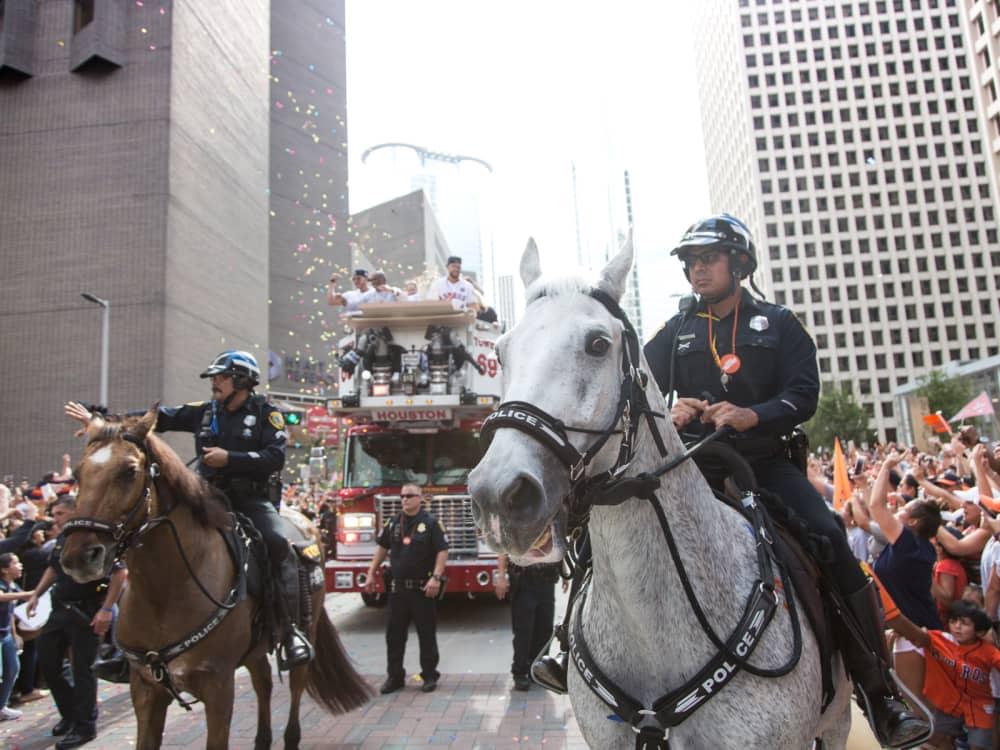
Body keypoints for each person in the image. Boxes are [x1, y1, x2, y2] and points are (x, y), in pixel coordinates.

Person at [642, 214, 926, 747]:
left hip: (764, 462)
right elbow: (641, 391)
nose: (697, 270)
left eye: (708, 259)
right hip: (693, 464)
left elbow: (804, 395)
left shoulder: (778, 323)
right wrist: (669, 412)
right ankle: (567, 648)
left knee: (832, 539)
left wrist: (755, 414)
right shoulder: (676, 329)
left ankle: (879, 691)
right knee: (621, 520)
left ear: (739, 263)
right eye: (691, 262)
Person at [64, 349, 313, 670]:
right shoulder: (204, 412)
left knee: (278, 543)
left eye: (222, 377)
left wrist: (230, 459)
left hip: (251, 500)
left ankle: (288, 629)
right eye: (214, 378)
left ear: (243, 382)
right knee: (150, 535)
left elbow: (274, 458)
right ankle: (133, 645)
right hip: (206, 497)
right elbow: (157, 418)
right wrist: (100, 420)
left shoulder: (268, 414)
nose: (215, 383)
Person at [26, 501, 127, 749]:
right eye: (54, 513)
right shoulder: (64, 537)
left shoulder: (96, 537)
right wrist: (36, 593)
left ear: (74, 512)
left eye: (60, 513)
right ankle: (71, 714)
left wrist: (106, 609)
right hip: (59, 609)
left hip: (87, 611)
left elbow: (119, 573)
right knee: (49, 664)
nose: (55, 517)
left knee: (83, 670)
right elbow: (53, 567)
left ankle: (84, 726)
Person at [363, 483, 448, 694]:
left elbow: (442, 551)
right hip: (397, 590)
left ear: (420, 498)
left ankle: (429, 675)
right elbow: (382, 549)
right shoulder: (393, 523)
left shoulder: (431, 523)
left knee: (426, 634)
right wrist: (371, 573)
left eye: (409, 496)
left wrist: (436, 577)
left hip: (422, 589)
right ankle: (395, 677)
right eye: (402, 496)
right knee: (394, 635)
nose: (404, 500)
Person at [887, 600, 1000, 750]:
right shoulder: (940, 639)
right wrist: (901, 631)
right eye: (954, 621)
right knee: (930, 738)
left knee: (979, 745)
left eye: (965, 624)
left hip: (980, 706)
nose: (958, 627)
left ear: (979, 631)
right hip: (951, 704)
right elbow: (918, 635)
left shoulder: (988, 652)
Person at [494, 554, 560, 691]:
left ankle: (537, 670)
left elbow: (556, 543)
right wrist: (501, 576)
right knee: (523, 630)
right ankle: (520, 672)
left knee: (545, 629)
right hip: (524, 580)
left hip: (547, 578)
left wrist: (563, 571)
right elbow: (504, 548)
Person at [0, 553, 33, 721]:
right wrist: (27, 594)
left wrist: (14, 635)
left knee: (12, 669)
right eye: (16, 563)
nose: (20, 566)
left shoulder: (12, 585)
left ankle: (1, 706)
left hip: (5, 635)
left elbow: (11, 613)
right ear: (5, 569)